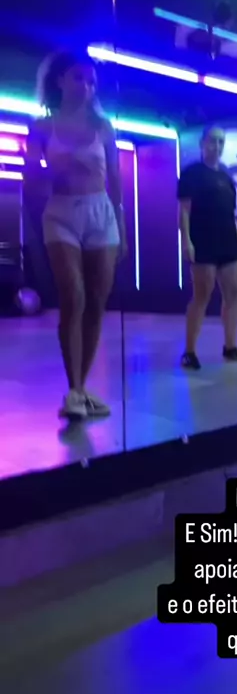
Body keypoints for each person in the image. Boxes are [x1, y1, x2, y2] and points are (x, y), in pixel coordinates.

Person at [24, 50, 127, 419]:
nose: (86, 86)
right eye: (79, 78)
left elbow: (115, 179)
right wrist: (54, 170)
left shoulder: (104, 127)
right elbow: (29, 177)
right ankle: (74, 391)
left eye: (92, 81)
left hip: (101, 214)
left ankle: (80, 390)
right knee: (74, 295)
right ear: (60, 81)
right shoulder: (42, 126)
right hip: (61, 213)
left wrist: (122, 225)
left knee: (97, 300)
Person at [177, 125, 237, 369]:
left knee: (233, 293)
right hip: (203, 242)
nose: (217, 146)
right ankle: (189, 352)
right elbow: (184, 212)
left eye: (221, 142)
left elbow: (231, 216)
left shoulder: (226, 179)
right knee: (202, 295)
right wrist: (187, 241)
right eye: (213, 141)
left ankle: (230, 347)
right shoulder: (191, 174)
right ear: (203, 143)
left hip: (229, 242)